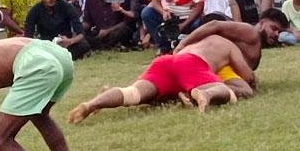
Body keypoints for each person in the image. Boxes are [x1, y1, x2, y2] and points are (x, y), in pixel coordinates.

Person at [68, 34, 243, 124]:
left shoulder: (194, 41)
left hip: (166, 61)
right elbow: (248, 79)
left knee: (132, 94)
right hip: (190, 63)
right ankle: (206, 95)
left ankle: (92, 104)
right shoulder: (227, 44)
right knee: (225, 91)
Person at [24, 0, 91, 60]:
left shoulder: (66, 6)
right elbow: (28, 37)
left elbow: (81, 33)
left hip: (66, 44)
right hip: (46, 45)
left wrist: (70, 41)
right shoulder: (34, 11)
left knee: (84, 45)